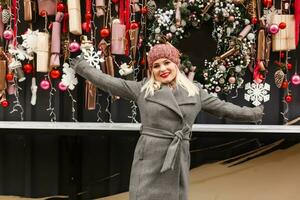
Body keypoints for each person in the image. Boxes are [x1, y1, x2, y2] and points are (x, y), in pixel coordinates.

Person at [71, 42, 264, 200]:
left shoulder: (195, 91)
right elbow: (106, 82)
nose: (162, 69)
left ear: (176, 64)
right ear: (151, 69)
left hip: (177, 156)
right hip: (149, 157)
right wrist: (80, 64)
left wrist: (254, 113)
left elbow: (225, 109)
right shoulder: (142, 89)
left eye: (166, 63)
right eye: (156, 65)